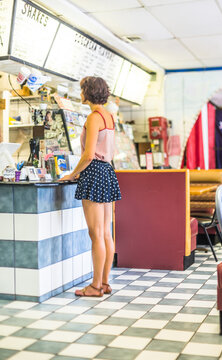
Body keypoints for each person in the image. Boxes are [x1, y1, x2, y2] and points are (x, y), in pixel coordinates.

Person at [60, 76, 121, 297]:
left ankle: (95, 286)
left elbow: (87, 155)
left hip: (94, 171)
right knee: (105, 232)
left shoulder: (94, 117)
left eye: (82, 89)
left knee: (95, 233)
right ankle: (104, 283)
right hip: (107, 171)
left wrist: (71, 174)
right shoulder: (109, 117)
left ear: (89, 91)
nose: (80, 92)